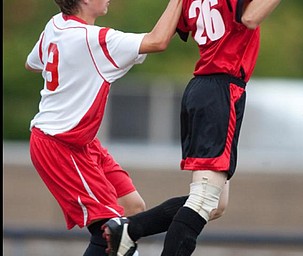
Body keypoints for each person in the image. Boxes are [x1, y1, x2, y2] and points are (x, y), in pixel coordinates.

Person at [102, 0, 282, 255]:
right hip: (221, 90)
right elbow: (250, 18)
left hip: (202, 89)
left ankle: (131, 229)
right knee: (204, 198)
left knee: (216, 203)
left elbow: (181, 24)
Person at [24, 0, 183, 255]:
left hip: (81, 142)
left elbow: (32, 63)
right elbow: (158, 40)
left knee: (132, 208)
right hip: (60, 146)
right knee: (111, 232)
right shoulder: (93, 39)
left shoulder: (56, 24)